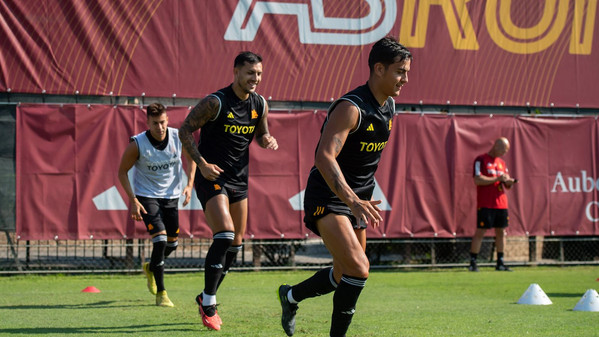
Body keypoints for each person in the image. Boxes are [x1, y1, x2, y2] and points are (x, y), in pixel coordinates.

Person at [277, 36, 412, 337]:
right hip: (329, 195)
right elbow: (324, 157)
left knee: (343, 274)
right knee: (359, 269)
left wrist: (359, 199)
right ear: (379, 69)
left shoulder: (389, 106)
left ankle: (290, 297)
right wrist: (351, 199)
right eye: (400, 71)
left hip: (357, 201)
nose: (406, 78)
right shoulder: (351, 107)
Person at [178, 51, 278, 331]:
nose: (255, 79)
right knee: (225, 234)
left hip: (240, 181)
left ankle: (205, 295)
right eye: (249, 73)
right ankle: (209, 302)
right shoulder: (215, 102)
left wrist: (266, 138)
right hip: (212, 177)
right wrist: (202, 164)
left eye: (258, 73)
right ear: (235, 72)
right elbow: (184, 131)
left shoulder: (260, 104)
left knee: (236, 245)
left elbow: (260, 134)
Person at [118, 102, 196, 306]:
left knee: (172, 243)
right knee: (160, 240)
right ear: (147, 122)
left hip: (171, 196)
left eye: (162, 122)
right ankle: (162, 293)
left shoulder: (178, 137)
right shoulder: (138, 144)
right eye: (155, 123)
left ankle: (151, 267)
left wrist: (189, 185)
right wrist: (133, 199)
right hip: (146, 196)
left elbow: (191, 158)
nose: (159, 127)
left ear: (168, 120)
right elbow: (121, 171)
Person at [468, 137, 517, 272]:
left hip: (501, 203)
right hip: (486, 203)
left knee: (501, 232)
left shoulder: (502, 163)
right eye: (503, 149)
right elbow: (477, 180)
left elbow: (506, 183)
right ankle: (473, 262)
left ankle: (500, 262)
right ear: (495, 145)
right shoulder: (481, 159)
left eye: (506, 150)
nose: (504, 152)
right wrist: (497, 178)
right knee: (481, 231)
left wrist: (509, 182)